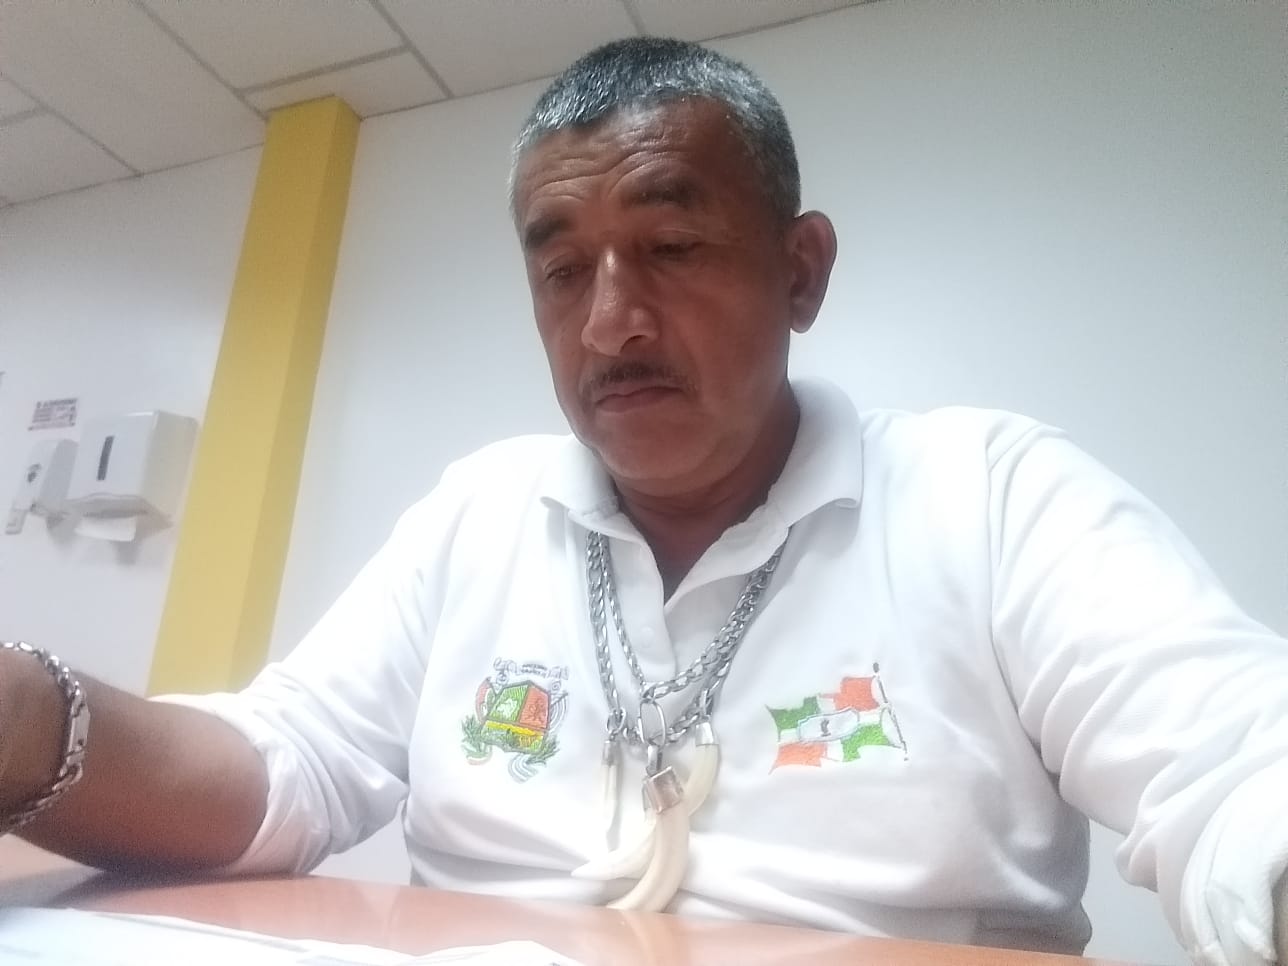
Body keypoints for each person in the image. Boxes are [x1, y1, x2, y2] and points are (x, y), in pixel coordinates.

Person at [2, 36, 1285, 965]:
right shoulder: (481, 510)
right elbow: (288, 762)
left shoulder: (990, 494)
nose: (610, 322)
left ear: (800, 270)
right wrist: (24, 716)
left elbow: (1237, 765)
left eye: (671, 249)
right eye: (562, 272)